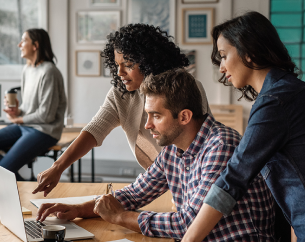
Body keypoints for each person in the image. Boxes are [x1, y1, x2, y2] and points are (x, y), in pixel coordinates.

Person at [36, 69, 276, 241]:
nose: (147, 125)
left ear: (184, 117)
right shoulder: (173, 149)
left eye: (156, 116)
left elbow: (186, 224)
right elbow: (135, 193)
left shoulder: (220, 145)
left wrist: (121, 218)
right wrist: (79, 209)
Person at [33, 24, 211, 196]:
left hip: (194, 179)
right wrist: (57, 168)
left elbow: (200, 144)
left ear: (149, 61)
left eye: (128, 64)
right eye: (117, 64)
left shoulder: (184, 88)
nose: (119, 72)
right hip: (158, 180)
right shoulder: (122, 93)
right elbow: (95, 129)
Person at [181, 11, 305, 242]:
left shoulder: (275, 102)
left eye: (224, 55)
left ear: (250, 51)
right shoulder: (288, 91)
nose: (221, 67)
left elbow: (234, 177)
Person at [0, 28, 66, 181]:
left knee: (4, 171)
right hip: (25, 127)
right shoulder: (27, 69)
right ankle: (18, 186)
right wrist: (17, 111)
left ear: (35, 45)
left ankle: (21, 195)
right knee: (4, 171)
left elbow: (46, 115)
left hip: (44, 131)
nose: (19, 45)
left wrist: (19, 119)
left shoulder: (49, 72)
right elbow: (29, 109)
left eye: (23, 41)